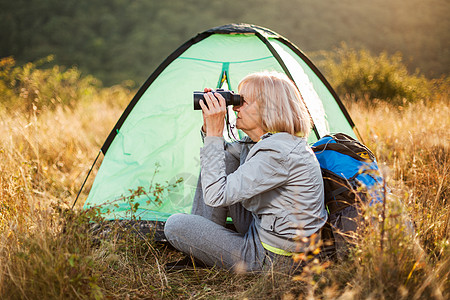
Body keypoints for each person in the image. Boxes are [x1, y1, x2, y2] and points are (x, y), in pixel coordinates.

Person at [164, 71, 327, 272]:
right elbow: (221, 155)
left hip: (274, 259)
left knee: (175, 225)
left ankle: (203, 250)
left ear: (268, 108)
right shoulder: (271, 141)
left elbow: (216, 196)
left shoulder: (278, 153)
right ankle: (201, 250)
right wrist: (210, 130)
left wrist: (215, 135)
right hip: (262, 230)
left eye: (243, 101)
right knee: (225, 157)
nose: (236, 107)